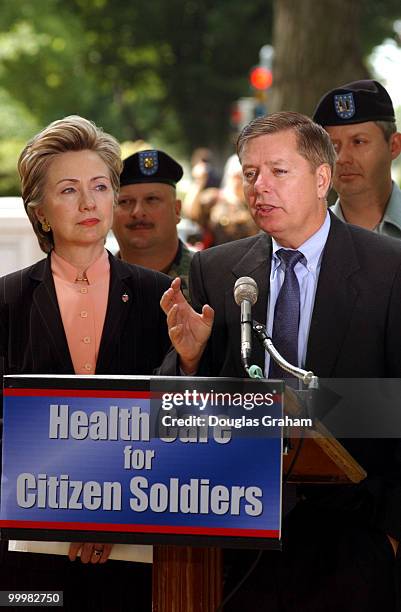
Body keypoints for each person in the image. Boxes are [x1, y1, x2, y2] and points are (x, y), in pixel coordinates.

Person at [160, 111, 401, 611]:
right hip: (237, 533)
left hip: (354, 538)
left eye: (278, 172)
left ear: (321, 178)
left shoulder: (388, 269)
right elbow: (179, 412)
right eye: (250, 174)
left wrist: (392, 535)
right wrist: (188, 362)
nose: (259, 187)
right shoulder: (218, 268)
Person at [0, 116, 170, 610]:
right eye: (69, 190)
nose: (89, 202)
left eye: (100, 186)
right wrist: (64, 515)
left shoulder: (159, 297)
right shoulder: (7, 301)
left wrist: (109, 518)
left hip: (136, 547)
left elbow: (169, 423)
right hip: (28, 549)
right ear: (42, 212)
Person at [313, 79, 401, 236]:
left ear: (394, 146)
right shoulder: (308, 238)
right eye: (332, 146)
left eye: (358, 142)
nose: (341, 158)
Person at [112, 149, 193, 300]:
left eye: (152, 200)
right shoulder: (93, 283)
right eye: (125, 202)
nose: (137, 212)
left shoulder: (209, 280)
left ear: (177, 210)